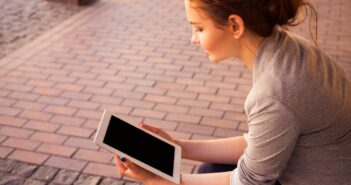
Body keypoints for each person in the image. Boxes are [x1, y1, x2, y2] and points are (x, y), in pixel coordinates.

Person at [114, 0, 351, 184]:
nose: (193, 39)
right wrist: (178, 147)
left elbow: (249, 181)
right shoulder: (286, 49)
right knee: (211, 168)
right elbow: (259, 141)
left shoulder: (274, 92)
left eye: (199, 28)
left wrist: (160, 181)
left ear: (235, 25)